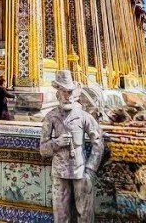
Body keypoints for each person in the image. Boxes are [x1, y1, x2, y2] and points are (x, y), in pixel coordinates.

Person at [40, 70, 104, 222]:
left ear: (74, 94)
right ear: (58, 94)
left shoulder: (83, 116)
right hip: (59, 173)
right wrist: (57, 143)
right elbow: (43, 149)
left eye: (70, 92)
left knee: (84, 215)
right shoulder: (51, 117)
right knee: (61, 216)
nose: (67, 96)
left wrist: (90, 169)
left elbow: (98, 141)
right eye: (64, 92)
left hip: (80, 171)